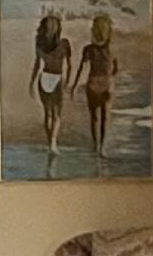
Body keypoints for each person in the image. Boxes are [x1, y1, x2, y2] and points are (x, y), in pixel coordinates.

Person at [76, 13, 120, 160]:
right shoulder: (112, 50)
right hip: (107, 84)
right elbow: (116, 69)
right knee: (105, 118)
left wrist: (75, 85)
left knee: (94, 118)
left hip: (93, 83)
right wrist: (110, 77)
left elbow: (81, 68)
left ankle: (96, 147)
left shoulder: (88, 49)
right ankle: (103, 148)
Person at [32, 12, 72, 165]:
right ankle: (53, 143)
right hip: (56, 79)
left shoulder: (40, 43)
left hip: (44, 78)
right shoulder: (64, 43)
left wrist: (32, 82)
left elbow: (37, 65)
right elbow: (69, 65)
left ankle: (51, 143)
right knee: (56, 115)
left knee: (48, 114)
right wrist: (67, 82)